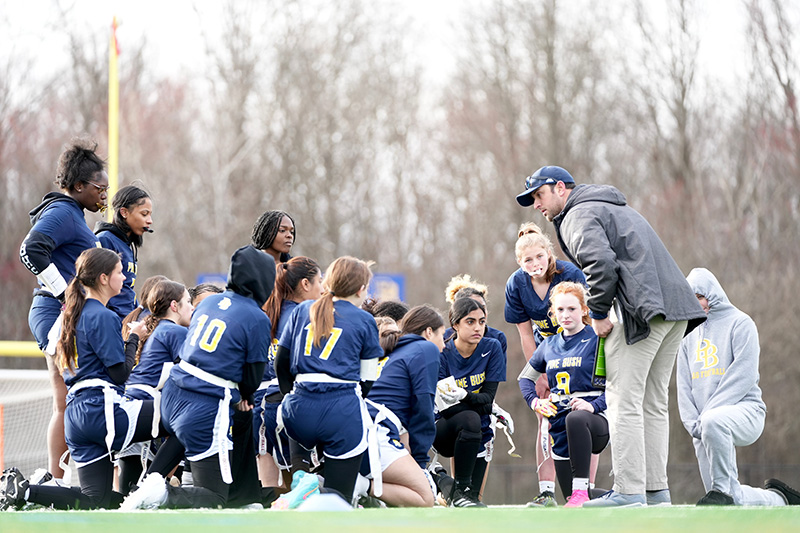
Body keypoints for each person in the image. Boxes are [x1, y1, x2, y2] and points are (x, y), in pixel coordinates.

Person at [516, 165, 707, 507]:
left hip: (643, 313)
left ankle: (629, 492)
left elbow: (600, 265)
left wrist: (600, 313)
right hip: (676, 311)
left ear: (561, 188)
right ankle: (655, 492)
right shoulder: (611, 205)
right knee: (652, 402)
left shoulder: (577, 215)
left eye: (540, 195)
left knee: (623, 401)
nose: (536, 205)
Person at [120, 245, 275, 510]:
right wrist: (245, 396)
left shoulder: (210, 302)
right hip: (204, 404)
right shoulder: (256, 317)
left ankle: (243, 497)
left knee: (238, 420)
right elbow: (253, 375)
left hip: (172, 395)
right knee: (214, 497)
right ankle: (162, 493)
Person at [1, 248, 155, 510]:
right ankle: (153, 487)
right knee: (179, 416)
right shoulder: (102, 315)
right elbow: (120, 375)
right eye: (119, 272)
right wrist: (134, 339)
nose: (125, 277)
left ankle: (27, 492)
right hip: (100, 410)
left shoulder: (69, 316)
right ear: (104, 278)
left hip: (75, 414)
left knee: (96, 499)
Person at [18, 138, 108, 481]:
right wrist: (66, 294)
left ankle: (67, 479)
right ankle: (59, 481)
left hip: (62, 313)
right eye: (100, 188)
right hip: (53, 313)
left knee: (73, 398)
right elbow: (32, 249)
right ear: (79, 186)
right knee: (66, 400)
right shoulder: (63, 212)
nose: (104, 195)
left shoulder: (74, 215)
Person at [678, 268, 800, 506]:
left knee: (721, 492)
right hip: (703, 425)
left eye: (700, 297)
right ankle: (779, 498)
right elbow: (683, 385)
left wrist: (707, 415)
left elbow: (743, 376)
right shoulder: (687, 335)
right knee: (732, 500)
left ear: (712, 294)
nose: (696, 304)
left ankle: (723, 491)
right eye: (690, 298)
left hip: (747, 412)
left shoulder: (741, 323)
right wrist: (693, 422)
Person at [272, 256, 383, 508]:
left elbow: (281, 362)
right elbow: (367, 380)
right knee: (338, 501)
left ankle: (304, 481)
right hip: (341, 409)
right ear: (361, 289)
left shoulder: (302, 309)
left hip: (298, 408)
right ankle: (319, 490)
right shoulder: (364, 319)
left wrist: (291, 396)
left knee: (300, 435)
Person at [505, 226, 586, 506]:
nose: (535, 264)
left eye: (540, 256)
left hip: (578, 353)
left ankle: (584, 490)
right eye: (528, 260)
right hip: (545, 355)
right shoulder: (516, 284)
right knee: (546, 416)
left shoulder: (570, 275)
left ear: (550, 254)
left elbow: (585, 321)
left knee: (580, 418)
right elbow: (526, 334)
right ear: (519, 262)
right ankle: (547, 491)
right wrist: (539, 372)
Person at [518, 282, 608, 508]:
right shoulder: (548, 344)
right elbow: (525, 379)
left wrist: (594, 406)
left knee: (575, 418)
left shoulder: (598, 339)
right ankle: (620, 498)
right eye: (560, 310)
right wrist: (535, 402)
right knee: (576, 497)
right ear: (552, 312)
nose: (565, 315)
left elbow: (621, 384)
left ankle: (582, 492)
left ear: (585, 310)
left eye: (572, 309)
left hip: (593, 423)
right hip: (560, 428)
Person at [359, 304, 446, 507]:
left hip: (358, 427)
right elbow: (423, 407)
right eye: (442, 336)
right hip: (375, 433)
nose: (443, 346)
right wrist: (420, 459)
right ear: (429, 332)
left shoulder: (393, 350)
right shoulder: (426, 348)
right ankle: (359, 485)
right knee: (426, 497)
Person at [117, 279, 193, 494]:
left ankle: (149, 485)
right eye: (188, 301)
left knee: (122, 495)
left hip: (129, 403)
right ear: (174, 306)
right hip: (143, 403)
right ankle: (151, 483)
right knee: (185, 425)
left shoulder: (156, 328)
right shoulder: (176, 332)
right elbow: (193, 375)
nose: (192, 307)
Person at [434, 298, 505, 507]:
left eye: (482, 322)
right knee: (471, 417)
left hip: (479, 430)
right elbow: (446, 408)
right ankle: (455, 487)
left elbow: (488, 399)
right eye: (470, 321)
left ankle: (450, 488)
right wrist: (477, 401)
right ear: (455, 325)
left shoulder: (492, 347)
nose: (478, 327)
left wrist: (463, 395)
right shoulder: (443, 353)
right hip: (442, 430)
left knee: (474, 504)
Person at [259, 257, 323, 487]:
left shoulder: (268, 310)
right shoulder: (305, 314)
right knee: (300, 485)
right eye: (320, 281)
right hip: (289, 400)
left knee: (273, 488)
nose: (323, 288)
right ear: (306, 284)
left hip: (261, 403)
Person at [95, 185, 153, 319]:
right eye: (144, 214)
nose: (150, 220)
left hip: (125, 319)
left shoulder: (127, 245)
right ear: (124, 212)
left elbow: (126, 292)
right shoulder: (105, 240)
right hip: (113, 321)